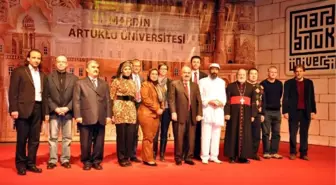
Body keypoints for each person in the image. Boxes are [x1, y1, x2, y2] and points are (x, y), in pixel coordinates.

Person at [8, 49, 47, 175]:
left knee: (34, 139)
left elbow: (45, 95)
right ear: (28, 58)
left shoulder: (42, 75)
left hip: (38, 108)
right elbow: (13, 92)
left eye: (38, 58)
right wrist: (13, 109)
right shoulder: (19, 71)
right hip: (23, 109)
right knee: (22, 139)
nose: (36, 60)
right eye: (34, 57)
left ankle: (31, 163)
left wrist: (44, 112)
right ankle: (21, 165)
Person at [73, 60, 112, 170]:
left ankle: (96, 161)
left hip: (101, 116)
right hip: (85, 116)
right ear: (87, 69)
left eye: (97, 67)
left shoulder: (104, 84)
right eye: (93, 67)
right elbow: (76, 101)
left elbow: (108, 101)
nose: (96, 69)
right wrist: (78, 116)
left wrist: (109, 115)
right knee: (85, 142)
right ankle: (86, 161)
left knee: (99, 142)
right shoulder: (80, 83)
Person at [45, 55, 78, 169]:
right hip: (54, 112)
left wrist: (67, 108)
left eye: (63, 62)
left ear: (67, 64)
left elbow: (76, 96)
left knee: (67, 137)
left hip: (67, 113)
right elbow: (47, 96)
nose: (61, 63)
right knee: (53, 137)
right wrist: (55, 108)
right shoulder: (49, 77)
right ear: (55, 63)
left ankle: (65, 159)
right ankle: (52, 160)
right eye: (59, 61)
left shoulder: (74, 78)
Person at [169, 66, 203, 166]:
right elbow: (171, 100)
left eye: (188, 73)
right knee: (179, 138)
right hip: (179, 115)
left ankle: (188, 157)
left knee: (191, 138)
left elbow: (199, 101)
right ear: (181, 73)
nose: (187, 74)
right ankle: (178, 158)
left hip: (192, 115)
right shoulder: (174, 84)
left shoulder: (195, 85)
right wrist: (173, 112)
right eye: (185, 72)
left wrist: (199, 113)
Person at [283, 64, 316, 161]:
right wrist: (285, 111)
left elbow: (312, 97)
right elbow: (285, 98)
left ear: (304, 72)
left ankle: (303, 153)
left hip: (306, 111)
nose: (298, 73)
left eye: (300, 71)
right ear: (294, 72)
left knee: (304, 133)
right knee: (293, 133)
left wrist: (313, 110)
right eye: (297, 71)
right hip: (293, 111)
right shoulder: (288, 83)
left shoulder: (309, 83)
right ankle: (293, 152)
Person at [224, 69, 257, 164]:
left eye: (243, 74)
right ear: (237, 75)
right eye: (240, 74)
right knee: (232, 133)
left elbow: (254, 102)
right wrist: (227, 113)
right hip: (233, 114)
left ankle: (243, 157)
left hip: (246, 114)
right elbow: (227, 101)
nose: (241, 76)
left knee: (246, 134)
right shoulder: (230, 86)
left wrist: (253, 114)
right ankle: (232, 156)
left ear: (246, 76)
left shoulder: (251, 87)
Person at [110, 61, 137, 167]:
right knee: (121, 135)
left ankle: (127, 156)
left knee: (130, 135)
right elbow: (112, 97)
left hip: (131, 108)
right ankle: (121, 158)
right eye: (125, 69)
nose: (128, 71)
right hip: (119, 107)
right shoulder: (116, 81)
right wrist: (112, 113)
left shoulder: (133, 82)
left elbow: (134, 96)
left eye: (129, 69)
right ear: (121, 70)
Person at [199, 63, 226, 164]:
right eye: (212, 69)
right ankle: (205, 156)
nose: (214, 71)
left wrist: (221, 102)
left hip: (218, 110)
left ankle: (214, 156)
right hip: (207, 109)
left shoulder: (222, 82)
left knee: (216, 134)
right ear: (209, 70)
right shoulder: (202, 81)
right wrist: (209, 101)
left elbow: (224, 96)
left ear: (218, 71)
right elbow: (200, 96)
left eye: (216, 69)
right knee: (206, 134)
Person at [138, 69, 164, 166]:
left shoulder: (157, 86)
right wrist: (157, 108)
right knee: (148, 137)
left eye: (156, 74)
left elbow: (161, 99)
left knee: (151, 137)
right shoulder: (145, 84)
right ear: (149, 75)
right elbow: (145, 99)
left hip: (156, 114)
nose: (154, 75)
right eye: (152, 74)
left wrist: (162, 107)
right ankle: (148, 159)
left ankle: (146, 157)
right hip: (146, 113)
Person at [260, 66, 283, 159]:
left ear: (276, 73)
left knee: (276, 133)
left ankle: (274, 152)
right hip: (267, 111)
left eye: (275, 72)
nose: (273, 74)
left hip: (277, 111)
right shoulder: (263, 84)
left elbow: (280, 95)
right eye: (271, 72)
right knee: (266, 132)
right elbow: (261, 99)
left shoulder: (279, 84)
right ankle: (266, 152)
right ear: (268, 73)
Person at [153, 63, 172, 161]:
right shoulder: (154, 81)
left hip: (166, 109)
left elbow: (171, 97)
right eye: (162, 69)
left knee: (164, 132)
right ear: (158, 70)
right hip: (156, 109)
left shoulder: (170, 82)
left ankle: (162, 154)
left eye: (165, 69)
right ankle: (153, 153)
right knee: (155, 132)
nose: (163, 70)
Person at [190, 56, 207, 160]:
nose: (196, 64)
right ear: (191, 63)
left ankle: (196, 153)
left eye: (197, 62)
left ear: (200, 64)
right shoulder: (187, 75)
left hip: (200, 106)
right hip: (188, 105)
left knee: (198, 131)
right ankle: (187, 152)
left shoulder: (205, 76)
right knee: (188, 130)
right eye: (194, 62)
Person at [247, 68, 265, 161]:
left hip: (258, 113)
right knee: (246, 134)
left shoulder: (260, 87)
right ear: (248, 75)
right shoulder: (244, 86)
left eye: (255, 74)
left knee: (256, 134)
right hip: (246, 113)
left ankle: (254, 153)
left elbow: (263, 101)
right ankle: (245, 153)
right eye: (251, 74)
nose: (253, 75)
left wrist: (262, 114)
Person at [130, 59, 144, 163]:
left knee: (135, 131)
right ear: (131, 66)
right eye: (135, 65)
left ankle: (133, 154)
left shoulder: (142, 78)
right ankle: (126, 153)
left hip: (139, 105)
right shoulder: (127, 77)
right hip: (129, 105)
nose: (136, 67)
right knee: (129, 130)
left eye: (138, 66)